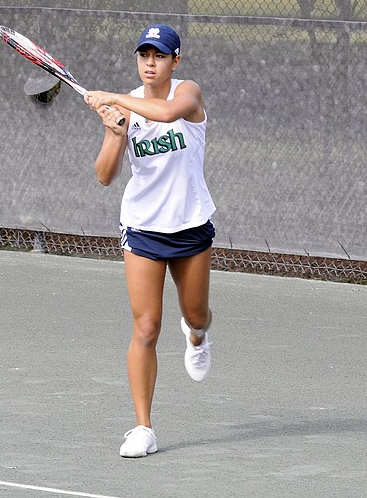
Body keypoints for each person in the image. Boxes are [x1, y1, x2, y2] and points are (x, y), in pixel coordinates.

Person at [84, 24, 216, 458]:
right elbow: (105, 176)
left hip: (191, 225)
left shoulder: (188, 93)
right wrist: (116, 132)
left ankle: (196, 336)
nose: (150, 62)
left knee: (196, 315)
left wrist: (115, 99)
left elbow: (164, 115)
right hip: (142, 228)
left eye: (159, 55)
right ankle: (143, 427)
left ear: (175, 61)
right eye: (144, 55)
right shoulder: (126, 108)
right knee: (145, 327)